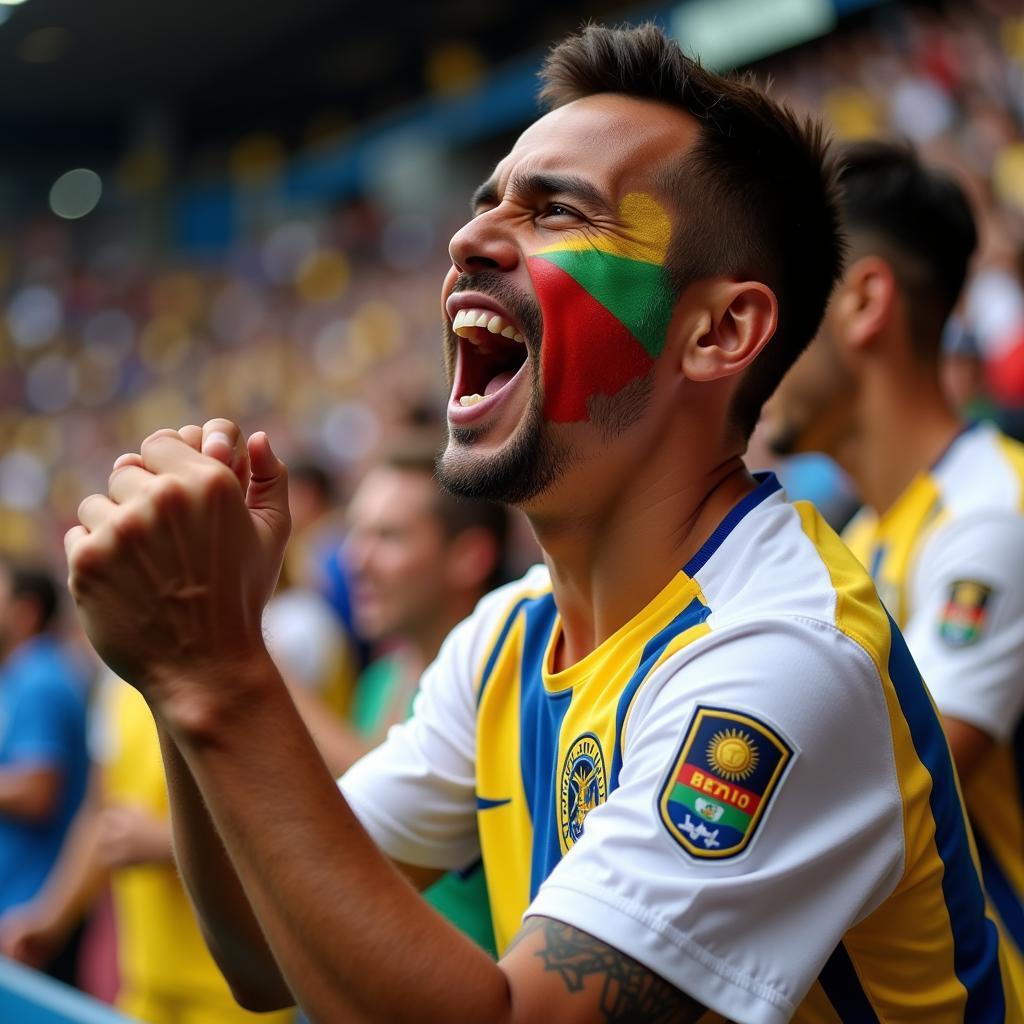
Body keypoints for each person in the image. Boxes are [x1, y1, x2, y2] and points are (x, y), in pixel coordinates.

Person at [62, 25, 1020, 1024]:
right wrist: (188, 663)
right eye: (488, 205)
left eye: (557, 211)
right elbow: (261, 949)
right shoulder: (507, 640)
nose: (467, 240)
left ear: (717, 332)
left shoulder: (783, 655)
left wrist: (216, 669)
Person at [766, 140, 1024, 986]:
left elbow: (907, 779)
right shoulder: (872, 538)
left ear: (864, 302)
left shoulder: (995, 515)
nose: (749, 344)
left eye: (774, 296)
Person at [0, 671, 297, 1024]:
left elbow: (290, 823)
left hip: (239, 999)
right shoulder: (116, 687)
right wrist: (50, 919)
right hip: (145, 988)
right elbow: (101, 815)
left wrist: (164, 842)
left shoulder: (248, 671)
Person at [343, 440, 508, 955]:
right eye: (356, 532)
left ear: (469, 557)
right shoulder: (378, 680)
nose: (355, 559)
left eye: (387, 536)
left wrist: (256, 662)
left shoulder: (500, 690)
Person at [0, 561, 89, 984]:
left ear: (26, 611)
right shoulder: (20, 675)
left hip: (30, 907)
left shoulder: (40, 679)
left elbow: (38, 791)